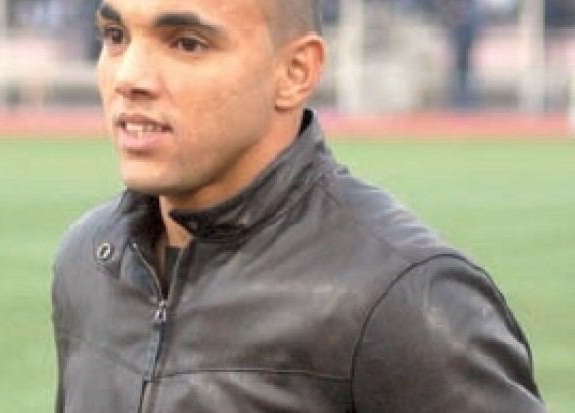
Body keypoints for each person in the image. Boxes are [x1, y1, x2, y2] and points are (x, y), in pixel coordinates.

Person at [51, 0, 546, 411]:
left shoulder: (403, 297)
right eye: (115, 36)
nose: (129, 77)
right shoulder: (90, 259)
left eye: (187, 43)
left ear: (295, 72)